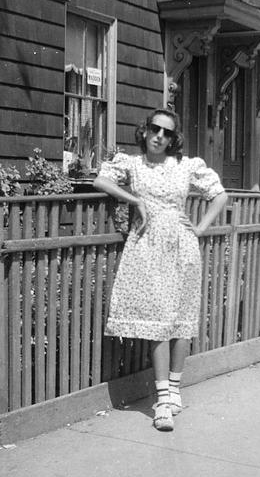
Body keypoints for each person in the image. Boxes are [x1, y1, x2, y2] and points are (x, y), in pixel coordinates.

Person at [93, 107, 228, 431]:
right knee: (159, 322)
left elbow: (219, 195)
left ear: (173, 138)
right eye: (155, 129)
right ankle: (163, 399)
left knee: (181, 321)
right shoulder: (133, 164)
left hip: (181, 246)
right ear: (145, 130)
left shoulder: (185, 166)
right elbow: (100, 180)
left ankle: (175, 389)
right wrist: (134, 200)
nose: (160, 136)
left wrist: (200, 228)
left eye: (167, 133)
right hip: (148, 246)